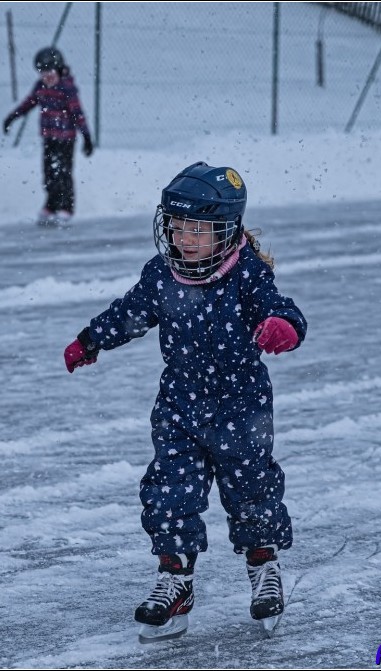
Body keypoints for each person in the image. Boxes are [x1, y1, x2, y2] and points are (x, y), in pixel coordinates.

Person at [63, 162, 307, 643]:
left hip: (239, 405)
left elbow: (282, 308)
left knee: (252, 490)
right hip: (179, 405)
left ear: (225, 230)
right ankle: (175, 581)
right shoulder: (162, 275)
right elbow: (129, 312)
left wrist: (284, 327)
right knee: (169, 493)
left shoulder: (246, 275)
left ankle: (263, 566)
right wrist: (91, 339)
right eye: (176, 227)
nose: (184, 238)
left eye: (196, 229)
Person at [3, 47, 93, 227]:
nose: (46, 77)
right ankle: (51, 206)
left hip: (66, 139)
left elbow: (77, 113)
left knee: (64, 174)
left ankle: (66, 208)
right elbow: (29, 103)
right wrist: (12, 117)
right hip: (49, 138)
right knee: (49, 174)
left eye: (50, 72)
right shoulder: (41, 87)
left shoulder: (67, 88)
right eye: (42, 73)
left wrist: (86, 136)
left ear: (58, 69)